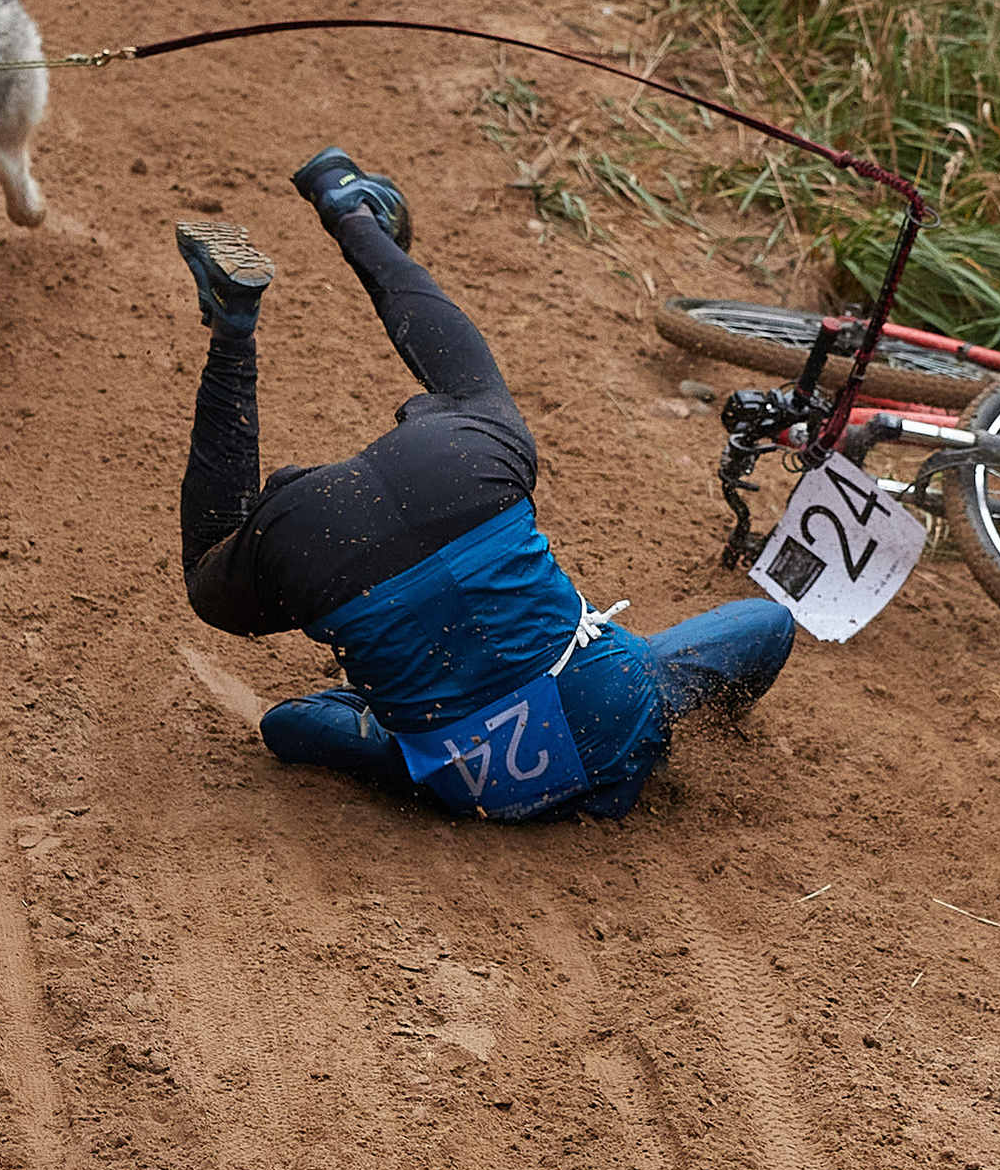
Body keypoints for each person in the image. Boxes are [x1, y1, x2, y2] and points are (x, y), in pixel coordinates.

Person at [172, 148, 794, 821]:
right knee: (215, 568)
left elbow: (767, 624)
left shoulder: (642, 703)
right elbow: (290, 723)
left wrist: (685, 706)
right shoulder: (452, 784)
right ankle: (235, 324)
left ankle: (351, 209)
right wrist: (377, 714)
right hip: (329, 541)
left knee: (469, 384)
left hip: (470, 493)